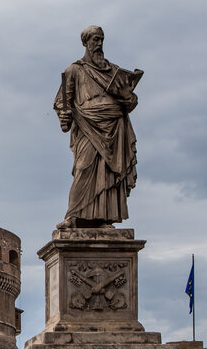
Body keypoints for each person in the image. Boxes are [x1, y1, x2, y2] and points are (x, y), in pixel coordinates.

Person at [53, 25, 141, 229]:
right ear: (85, 42)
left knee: (108, 172)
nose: (99, 44)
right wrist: (63, 115)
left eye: (101, 39)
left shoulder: (113, 72)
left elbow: (130, 102)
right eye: (95, 39)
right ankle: (73, 216)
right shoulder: (74, 70)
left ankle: (104, 218)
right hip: (87, 126)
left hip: (114, 128)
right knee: (84, 168)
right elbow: (61, 100)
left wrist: (128, 96)